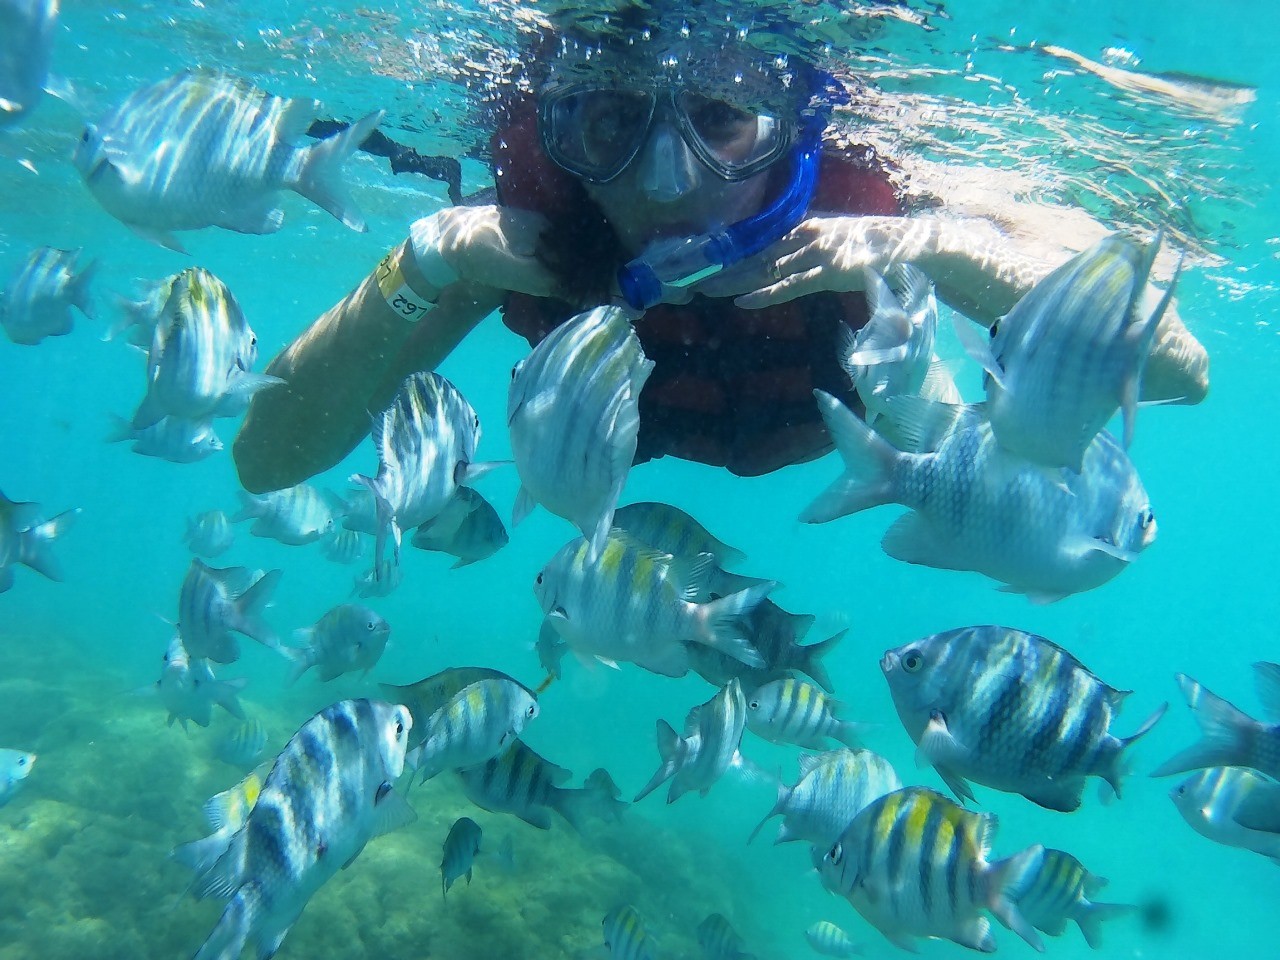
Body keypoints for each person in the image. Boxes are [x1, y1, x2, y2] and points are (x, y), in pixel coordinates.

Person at [232, 13, 1209, 494]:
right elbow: (268, 461)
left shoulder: (894, 185)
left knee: (938, 434)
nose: (662, 182)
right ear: (559, 122)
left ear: (794, 120)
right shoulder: (524, 235)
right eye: (610, 123)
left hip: (862, 420)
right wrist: (423, 266)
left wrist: (937, 248)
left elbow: (1175, 370)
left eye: (718, 120)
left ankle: (926, 383)